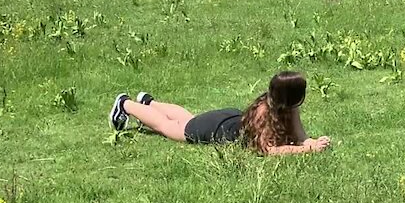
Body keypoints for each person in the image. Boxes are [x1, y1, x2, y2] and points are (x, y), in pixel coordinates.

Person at [108, 71, 331, 155]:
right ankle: (126, 104)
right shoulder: (264, 112)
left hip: (230, 120)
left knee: (187, 119)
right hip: (217, 128)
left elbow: (300, 135)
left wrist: (310, 141)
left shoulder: (287, 107)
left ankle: (149, 102)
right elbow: (268, 150)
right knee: (170, 128)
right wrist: (305, 151)